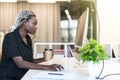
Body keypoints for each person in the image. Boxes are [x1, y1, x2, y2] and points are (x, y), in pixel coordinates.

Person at [0, 10, 64, 80]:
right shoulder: (10, 37)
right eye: (34, 23)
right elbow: (20, 63)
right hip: (10, 78)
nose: (36, 27)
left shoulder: (28, 38)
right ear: (24, 22)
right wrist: (47, 67)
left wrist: (44, 59)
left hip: (25, 76)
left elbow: (29, 61)